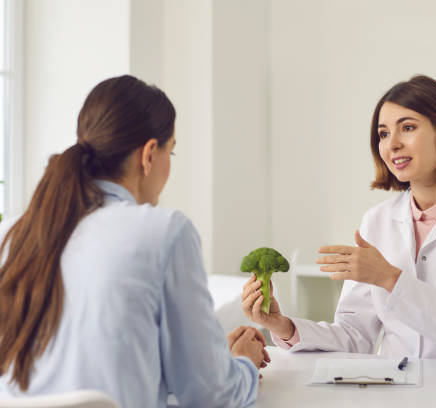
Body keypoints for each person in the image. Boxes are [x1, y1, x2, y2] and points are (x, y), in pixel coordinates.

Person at [0, 75, 268, 407]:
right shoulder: (164, 232)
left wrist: (213, 361)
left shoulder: (14, 234)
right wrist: (244, 362)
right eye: (172, 151)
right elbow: (212, 396)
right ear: (149, 155)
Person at [242, 75, 436, 360]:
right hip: (396, 391)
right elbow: (355, 336)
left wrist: (390, 278)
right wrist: (284, 326)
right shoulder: (377, 221)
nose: (392, 145)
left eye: (407, 128)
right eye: (383, 133)